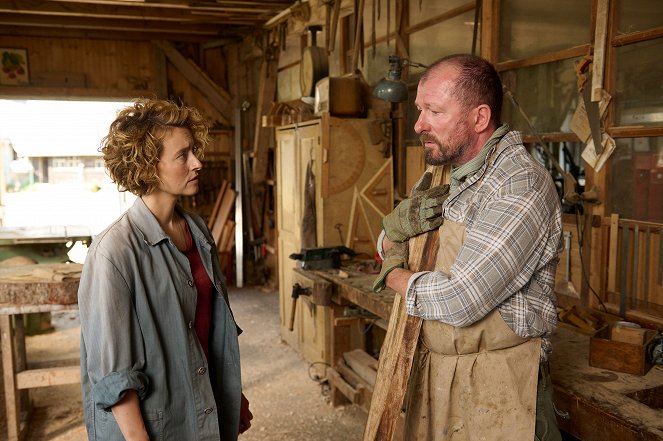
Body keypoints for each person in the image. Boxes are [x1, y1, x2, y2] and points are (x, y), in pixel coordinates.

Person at [372, 54, 564, 440]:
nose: (419, 124)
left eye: (435, 112)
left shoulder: (517, 186)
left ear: (479, 118)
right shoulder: (447, 170)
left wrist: (392, 273)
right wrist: (391, 230)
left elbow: (462, 299)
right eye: (420, 109)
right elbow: (391, 243)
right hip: (438, 376)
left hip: (502, 390)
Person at [78, 98, 253, 441]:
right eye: (182, 155)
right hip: (154, 426)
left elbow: (211, 329)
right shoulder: (113, 252)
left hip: (201, 403)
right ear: (147, 167)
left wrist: (231, 395)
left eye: (194, 151)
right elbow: (115, 375)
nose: (198, 162)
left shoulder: (198, 231)